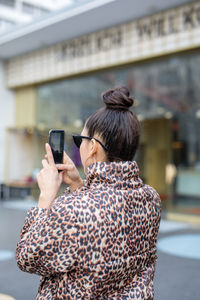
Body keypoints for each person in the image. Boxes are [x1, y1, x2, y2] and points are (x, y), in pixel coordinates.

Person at [16, 86, 161, 299]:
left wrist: (46, 197)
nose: (79, 146)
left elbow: (27, 257)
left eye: (79, 140)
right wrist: (78, 185)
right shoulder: (151, 198)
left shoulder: (74, 210)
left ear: (92, 147)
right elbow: (106, 222)